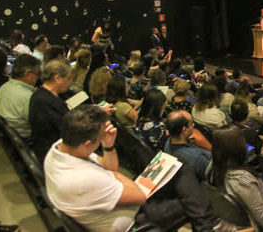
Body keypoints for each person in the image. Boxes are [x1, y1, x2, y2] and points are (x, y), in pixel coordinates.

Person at [44, 105, 235, 232]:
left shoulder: (60, 148)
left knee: (182, 169)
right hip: (133, 222)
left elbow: (110, 169)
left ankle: (210, 226)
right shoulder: (83, 178)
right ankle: (210, 226)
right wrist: (116, 176)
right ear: (87, 143)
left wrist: (108, 146)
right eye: (100, 139)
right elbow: (138, 194)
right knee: (192, 201)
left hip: (116, 201)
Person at [209, 125, 263, 223]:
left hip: (242, 210)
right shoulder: (242, 179)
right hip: (260, 221)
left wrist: (255, 186)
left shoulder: (213, 167)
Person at [29, 59, 73, 163]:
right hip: (52, 154)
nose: (70, 82)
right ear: (57, 78)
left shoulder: (42, 95)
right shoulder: (45, 101)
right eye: (68, 78)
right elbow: (68, 129)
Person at [0, 55, 41, 140]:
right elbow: (43, 126)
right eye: (38, 74)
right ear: (28, 74)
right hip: (26, 140)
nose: (38, 78)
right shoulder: (29, 97)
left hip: (6, 137)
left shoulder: (4, 87)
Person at [165, 110, 212, 181]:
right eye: (191, 123)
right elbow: (213, 178)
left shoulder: (168, 143)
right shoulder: (198, 158)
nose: (193, 125)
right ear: (184, 130)